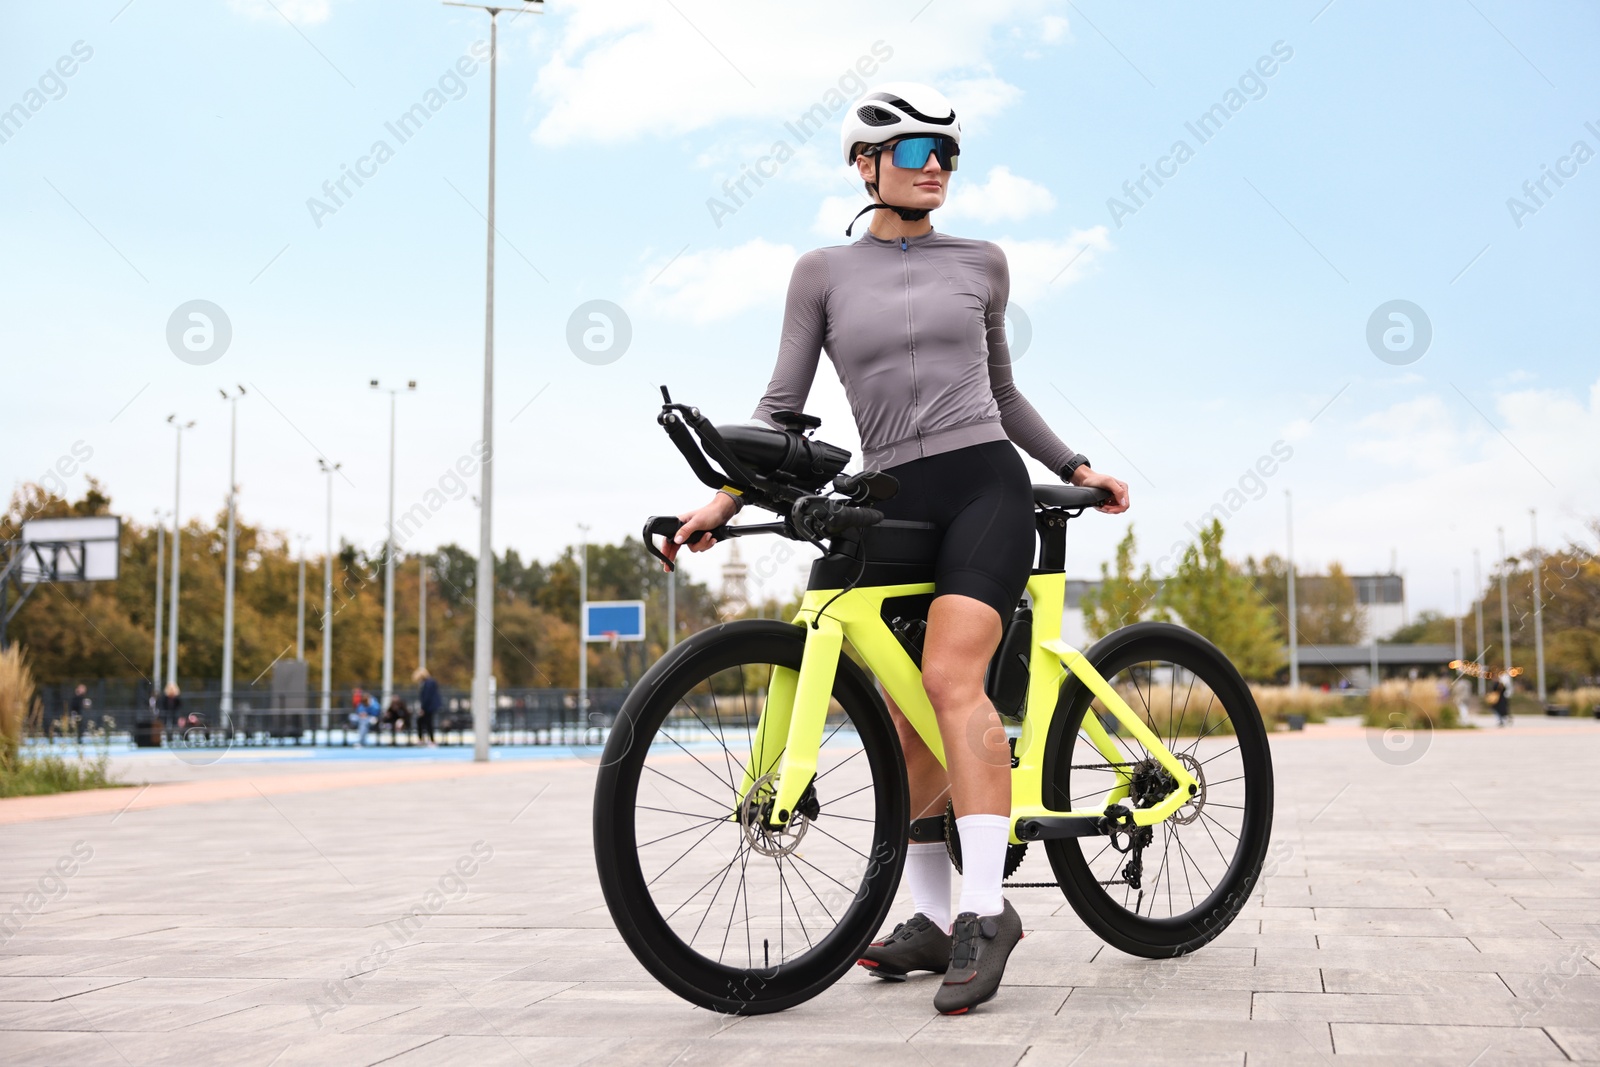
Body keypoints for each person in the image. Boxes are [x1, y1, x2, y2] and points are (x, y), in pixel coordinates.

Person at [664, 82, 1129, 1016]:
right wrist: (718, 499)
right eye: (918, 150)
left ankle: (986, 911)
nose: (937, 167)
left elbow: (1003, 393)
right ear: (866, 164)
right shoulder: (821, 274)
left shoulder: (985, 262)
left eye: (949, 154)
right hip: (888, 492)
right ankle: (925, 913)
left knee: (954, 679)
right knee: (903, 709)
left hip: (983, 483)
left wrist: (1076, 463)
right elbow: (780, 409)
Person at [414, 668, 439, 747]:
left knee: (427, 722)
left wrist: (423, 708)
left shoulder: (427, 683)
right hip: (429, 706)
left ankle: (428, 740)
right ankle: (427, 740)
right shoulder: (429, 682)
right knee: (425, 722)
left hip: (428, 707)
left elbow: (427, 697)